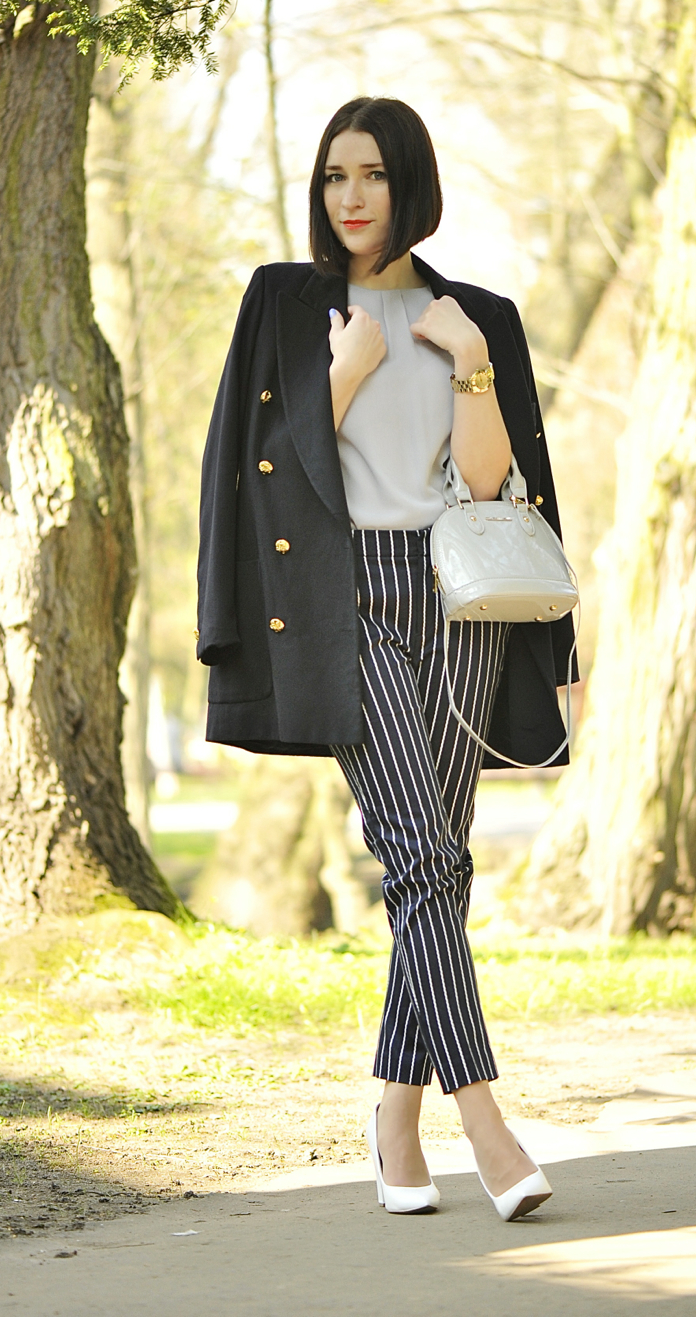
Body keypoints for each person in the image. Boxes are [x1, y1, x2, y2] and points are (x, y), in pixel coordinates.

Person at [197, 96, 577, 1221]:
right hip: (343, 594)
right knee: (416, 850)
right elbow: (260, 466)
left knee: (438, 863)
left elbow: (497, 483)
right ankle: (489, 1127)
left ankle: (394, 1116)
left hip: (460, 593)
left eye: (370, 175)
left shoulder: (480, 316)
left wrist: (471, 364)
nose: (350, 197)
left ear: (411, 185)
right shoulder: (283, 301)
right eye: (334, 177)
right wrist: (345, 372)